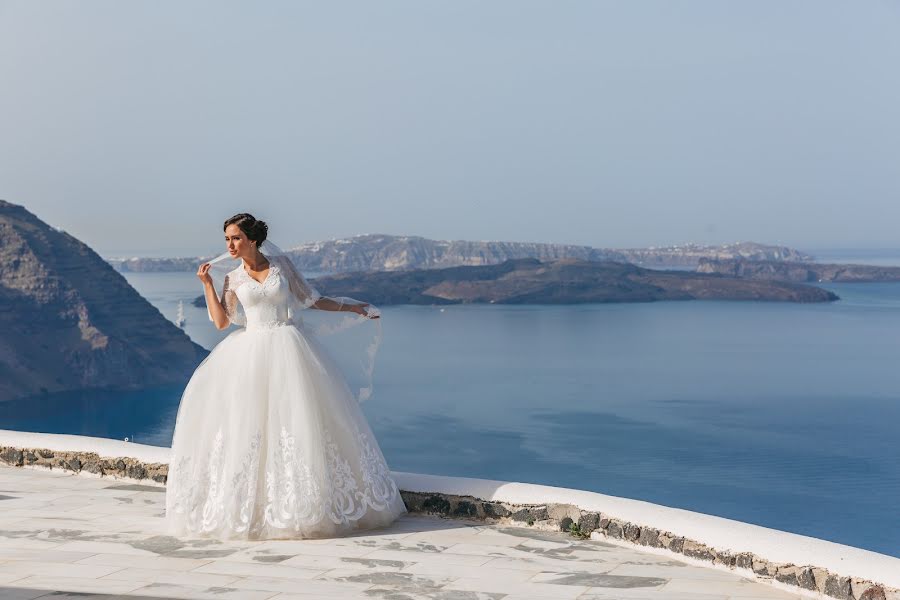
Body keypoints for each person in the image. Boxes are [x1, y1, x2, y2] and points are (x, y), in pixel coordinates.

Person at [165, 213, 406, 540]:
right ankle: (254, 508)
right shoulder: (233, 278)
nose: (229, 245)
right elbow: (222, 322)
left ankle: (307, 505)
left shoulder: (282, 266)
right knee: (249, 427)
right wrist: (207, 284)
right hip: (249, 354)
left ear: (252, 238)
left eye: (235, 238)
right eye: (226, 239)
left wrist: (353, 308)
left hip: (291, 349)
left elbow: (312, 299)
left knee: (299, 423)